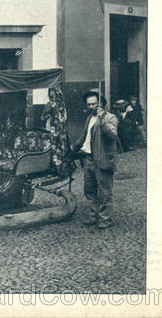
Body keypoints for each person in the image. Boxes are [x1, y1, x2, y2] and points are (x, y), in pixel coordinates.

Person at [72, 91, 119, 229]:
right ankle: (93, 216)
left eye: (94, 103)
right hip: (88, 159)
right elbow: (83, 137)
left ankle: (105, 219)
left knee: (104, 191)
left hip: (103, 160)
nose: (92, 106)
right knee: (90, 190)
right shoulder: (89, 118)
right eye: (89, 104)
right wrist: (73, 148)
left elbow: (112, 136)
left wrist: (102, 120)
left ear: (101, 103)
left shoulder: (111, 117)